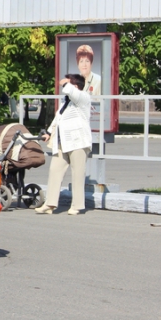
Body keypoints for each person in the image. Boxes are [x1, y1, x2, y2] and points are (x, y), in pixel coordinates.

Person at [36, 73, 92, 215]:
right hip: (62, 142)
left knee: (78, 174)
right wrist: (49, 132)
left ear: (76, 86)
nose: (64, 85)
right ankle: (50, 204)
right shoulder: (65, 102)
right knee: (54, 171)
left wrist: (66, 83)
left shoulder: (83, 97)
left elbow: (70, 90)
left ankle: (77, 206)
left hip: (78, 142)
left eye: (69, 82)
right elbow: (58, 119)